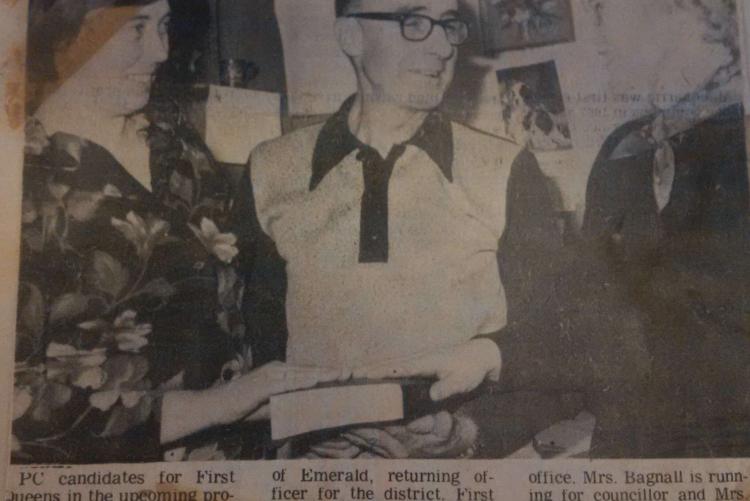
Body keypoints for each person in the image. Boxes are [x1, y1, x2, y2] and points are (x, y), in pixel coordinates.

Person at [363, 0, 750, 458]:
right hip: (629, 453)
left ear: (706, 29)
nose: (608, 54)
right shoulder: (622, 151)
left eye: (625, 33)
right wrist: (477, 387)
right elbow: (590, 325)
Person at [232, 0, 586, 458]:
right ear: (350, 37)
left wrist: (469, 432)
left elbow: (558, 343)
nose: (442, 46)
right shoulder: (269, 169)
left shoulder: (506, 168)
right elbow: (255, 351)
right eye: (413, 21)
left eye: (449, 25)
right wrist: (292, 428)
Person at [13, 0, 344, 464]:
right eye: (135, 28)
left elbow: (239, 299)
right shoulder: (22, 177)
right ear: (67, 34)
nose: (160, 51)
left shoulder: (176, 143)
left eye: (165, 27)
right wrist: (219, 406)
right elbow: (19, 406)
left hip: (237, 458)